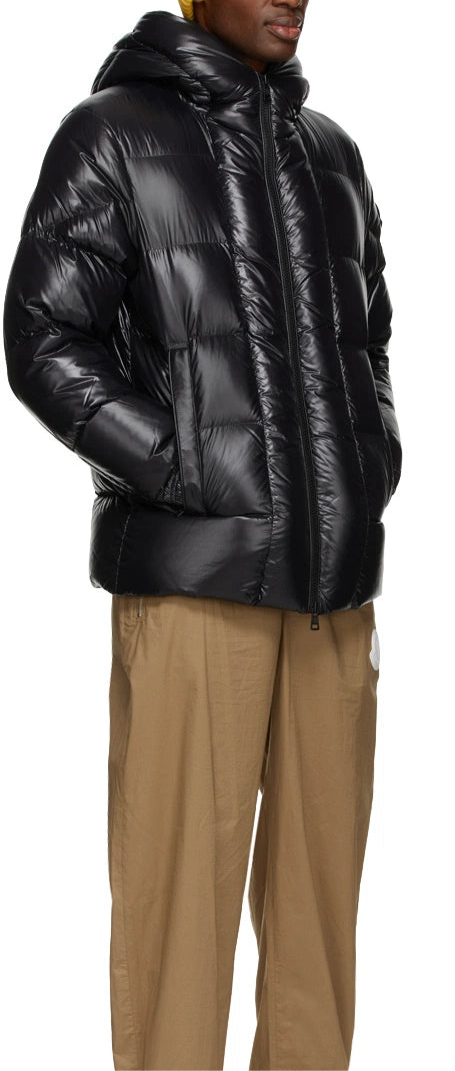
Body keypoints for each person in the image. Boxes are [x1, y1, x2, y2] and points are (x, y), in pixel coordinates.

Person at [2, 2, 403, 1069]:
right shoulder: (113, 134)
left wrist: (369, 465)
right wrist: (183, 468)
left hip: (333, 597)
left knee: (320, 933)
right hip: (195, 590)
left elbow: (370, 339)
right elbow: (43, 336)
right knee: (177, 923)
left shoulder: (331, 154)